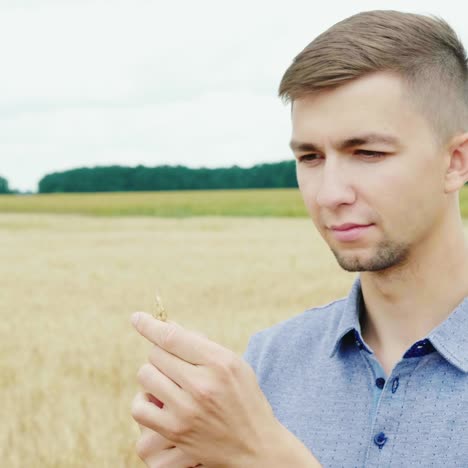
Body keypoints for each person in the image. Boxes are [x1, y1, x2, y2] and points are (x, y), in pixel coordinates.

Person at [131, 9, 468, 467]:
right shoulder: (270, 361)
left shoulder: (249, 416)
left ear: (456, 162)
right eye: (310, 157)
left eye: (367, 153)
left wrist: (265, 455)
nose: (329, 194)